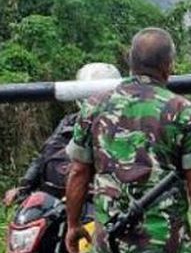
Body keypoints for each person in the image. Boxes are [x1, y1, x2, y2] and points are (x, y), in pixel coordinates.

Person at [64, 28, 191, 253]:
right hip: (164, 246)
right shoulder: (181, 110)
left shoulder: (94, 106)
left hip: (111, 244)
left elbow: (78, 171)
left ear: (130, 62)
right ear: (168, 65)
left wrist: (73, 224)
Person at [3, 63, 121, 205]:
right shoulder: (69, 122)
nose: (95, 103)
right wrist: (24, 187)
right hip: (55, 199)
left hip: (100, 201)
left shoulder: (125, 126)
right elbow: (44, 155)